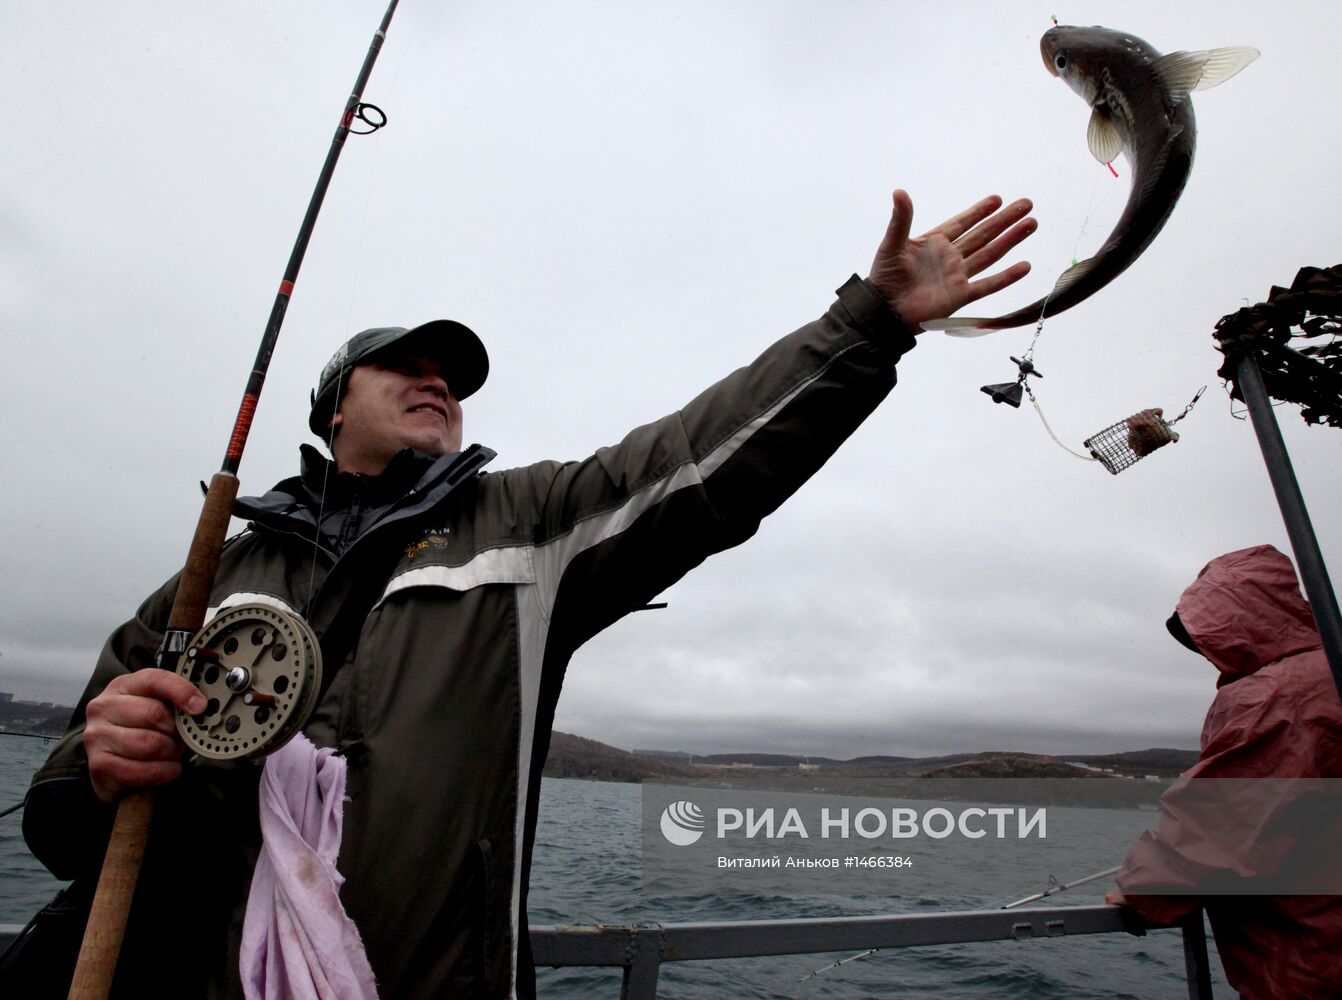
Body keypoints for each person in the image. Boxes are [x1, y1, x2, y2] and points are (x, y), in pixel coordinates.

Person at [24, 189, 1037, 998]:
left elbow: (700, 461)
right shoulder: (205, 587)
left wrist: (867, 326)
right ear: (337, 406)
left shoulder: (529, 523)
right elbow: (60, 825)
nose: (438, 385)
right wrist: (97, 762)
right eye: (403, 369)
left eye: (451, 379)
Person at [1107, 544, 1342, 999]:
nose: (1206, 652)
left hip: (1315, 956)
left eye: (1206, 635)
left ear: (1240, 621)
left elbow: (1231, 814)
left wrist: (1151, 888)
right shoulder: (1326, 671)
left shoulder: (1282, 697)